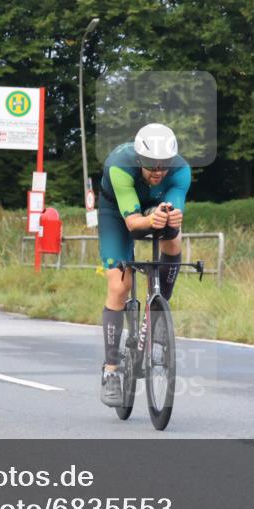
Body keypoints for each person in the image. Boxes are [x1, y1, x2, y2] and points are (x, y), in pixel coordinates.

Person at [97, 123, 191, 407]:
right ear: (140, 160)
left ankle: (159, 310)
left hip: (153, 207)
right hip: (117, 212)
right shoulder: (120, 165)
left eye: (164, 166)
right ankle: (111, 370)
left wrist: (170, 218)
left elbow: (174, 212)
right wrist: (151, 221)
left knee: (174, 241)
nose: (158, 172)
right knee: (120, 285)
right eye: (151, 166)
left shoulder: (182, 171)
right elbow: (133, 224)